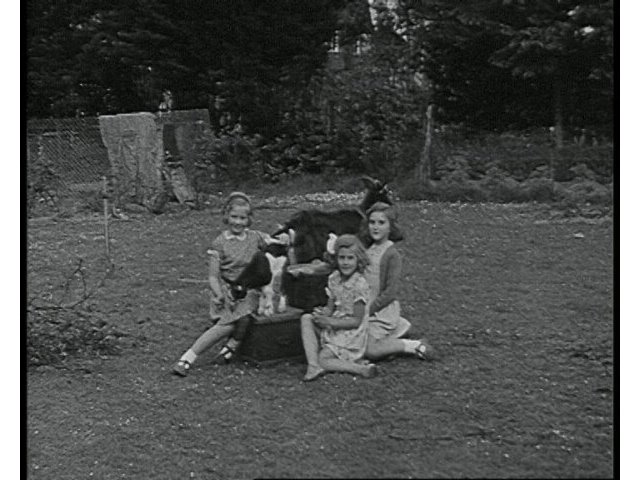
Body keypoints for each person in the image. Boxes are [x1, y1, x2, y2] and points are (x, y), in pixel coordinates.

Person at [173, 192, 274, 376]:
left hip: (249, 291)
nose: (238, 222)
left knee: (238, 319)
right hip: (228, 291)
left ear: (249, 219)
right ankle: (191, 356)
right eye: (234, 217)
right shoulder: (219, 243)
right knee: (228, 324)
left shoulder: (255, 237)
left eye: (242, 218)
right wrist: (218, 294)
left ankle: (225, 348)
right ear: (227, 216)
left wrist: (282, 238)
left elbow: (274, 241)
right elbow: (213, 276)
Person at [361, 202, 435, 362]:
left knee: (368, 350)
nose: (376, 227)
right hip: (363, 306)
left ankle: (413, 345)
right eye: (372, 222)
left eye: (381, 223)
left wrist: (368, 311)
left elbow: (390, 292)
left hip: (380, 311)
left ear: (390, 227)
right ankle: (398, 331)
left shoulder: (391, 254)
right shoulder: (367, 249)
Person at [300, 234, 378, 381]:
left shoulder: (359, 284)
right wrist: (323, 313)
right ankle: (313, 365)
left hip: (351, 335)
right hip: (335, 325)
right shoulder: (334, 278)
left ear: (358, 260)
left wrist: (330, 322)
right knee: (307, 318)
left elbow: (356, 321)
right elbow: (330, 307)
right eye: (342, 258)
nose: (345, 263)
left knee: (324, 359)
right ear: (336, 259)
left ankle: (360, 369)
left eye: (350, 258)